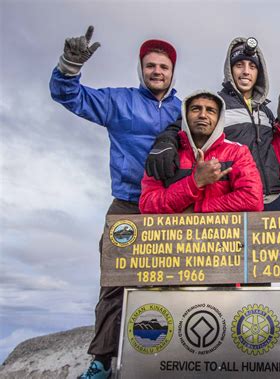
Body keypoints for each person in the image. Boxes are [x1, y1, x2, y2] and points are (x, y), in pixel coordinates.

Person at [49, 26, 181, 379]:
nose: (157, 71)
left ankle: (170, 357)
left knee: (176, 280)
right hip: (127, 204)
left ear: (172, 72)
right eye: (151, 65)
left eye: (164, 67)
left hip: (172, 209)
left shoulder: (184, 110)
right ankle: (102, 362)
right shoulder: (118, 101)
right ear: (142, 70)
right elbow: (70, 96)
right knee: (114, 283)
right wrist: (69, 66)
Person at [145, 37, 280, 211]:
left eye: (252, 67)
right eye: (239, 66)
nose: (246, 71)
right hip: (235, 198)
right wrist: (166, 142)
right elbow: (182, 127)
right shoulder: (216, 105)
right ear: (229, 70)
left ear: (259, 73)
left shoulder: (266, 111)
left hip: (274, 195)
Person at [140, 90, 263, 213]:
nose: (203, 115)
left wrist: (198, 209)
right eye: (195, 109)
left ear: (219, 118)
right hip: (175, 232)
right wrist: (195, 182)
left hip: (222, 232)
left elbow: (252, 200)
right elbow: (147, 205)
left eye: (210, 110)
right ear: (185, 115)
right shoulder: (164, 153)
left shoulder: (237, 152)